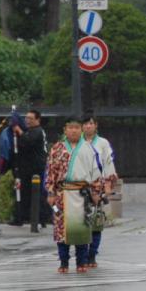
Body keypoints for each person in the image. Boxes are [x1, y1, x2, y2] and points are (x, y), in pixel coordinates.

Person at [45, 117, 103, 273]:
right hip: (62, 194)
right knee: (61, 230)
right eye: (70, 127)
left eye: (77, 127)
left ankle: (81, 262)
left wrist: (96, 191)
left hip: (83, 194)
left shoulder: (89, 149)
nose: (73, 130)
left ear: (81, 129)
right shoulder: (57, 148)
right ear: (65, 130)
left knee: (82, 230)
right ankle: (63, 262)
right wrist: (50, 192)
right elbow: (50, 172)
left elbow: (96, 172)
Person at [81, 114, 117, 268]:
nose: (88, 126)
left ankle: (92, 254)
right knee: (82, 222)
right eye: (85, 124)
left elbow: (109, 162)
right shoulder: (77, 142)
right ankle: (82, 254)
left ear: (95, 125)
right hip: (81, 186)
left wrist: (108, 184)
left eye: (91, 124)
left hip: (97, 186)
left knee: (96, 222)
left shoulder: (103, 143)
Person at [12, 109, 50, 228]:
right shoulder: (30, 131)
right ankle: (24, 216)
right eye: (26, 118)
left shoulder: (37, 131)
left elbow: (28, 142)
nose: (27, 121)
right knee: (25, 193)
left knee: (37, 193)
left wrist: (19, 130)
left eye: (30, 119)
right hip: (28, 167)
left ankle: (41, 218)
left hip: (37, 167)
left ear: (38, 120)